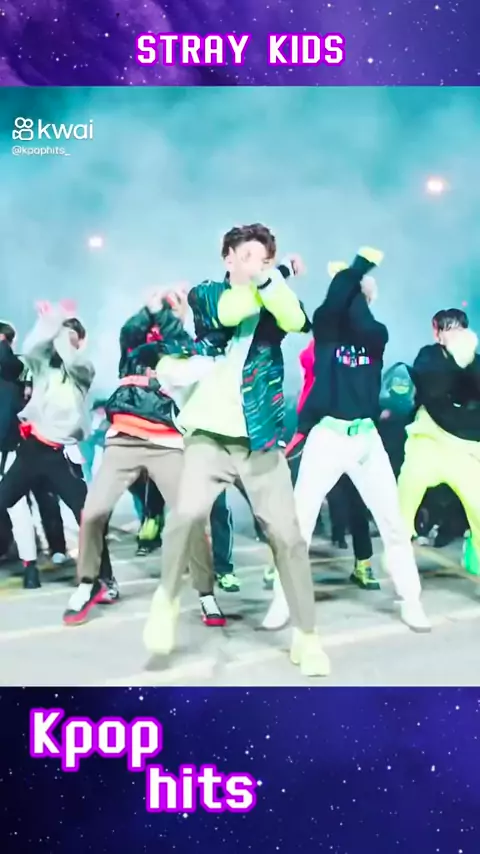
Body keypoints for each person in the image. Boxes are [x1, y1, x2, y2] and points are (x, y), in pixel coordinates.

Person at [143, 223, 330, 678]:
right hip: (209, 436)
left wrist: (272, 279)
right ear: (227, 258)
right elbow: (230, 311)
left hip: (259, 438)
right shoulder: (207, 293)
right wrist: (277, 274)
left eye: (262, 259)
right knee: (185, 517)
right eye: (245, 257)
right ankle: (166, 604)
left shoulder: (273, 296)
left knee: (287, 537)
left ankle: (307, 636)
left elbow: (296, 320)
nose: (254, 266)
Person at [262, 248, 430, 633]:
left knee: (393, 524)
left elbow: (351, 308)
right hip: (327, 437)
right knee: (299, 524)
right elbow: (334, 305)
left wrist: (352, 280)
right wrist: (355, 272)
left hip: (366, 441)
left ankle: (411, 601)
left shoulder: (375, 335)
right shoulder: (325, 331)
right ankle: (283, 601)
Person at [62, 287, 225, 626]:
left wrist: (168, 312)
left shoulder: (184, 349)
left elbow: (177, 343)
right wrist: (151, 308)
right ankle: (89, 584)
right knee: (93, 512)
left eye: (173, 305)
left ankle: (206, 593)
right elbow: (131, 330)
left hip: (166, 442)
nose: (166, 307)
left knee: (192, 516)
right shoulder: (133, 347)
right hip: (123, 439)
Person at [0, 302, 113, 590]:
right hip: (30, 451)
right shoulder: (42, 369)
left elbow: (70, 357)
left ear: (80, 342)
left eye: (71, 338)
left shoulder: (82, 370)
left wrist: (63, 326)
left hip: (58, 456)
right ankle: (25, 560)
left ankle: (105, 578)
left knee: (87, 515)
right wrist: (49, 321)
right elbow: (33, 348)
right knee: (4, 501)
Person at [397, 308, 480, 577]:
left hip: (465, 449)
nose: (454, 334)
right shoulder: (429, 356)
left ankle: (476, 556)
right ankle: (398, 552)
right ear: (437, 333)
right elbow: (432, 388)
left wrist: (468, 360)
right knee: (408, 490)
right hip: (429, 442)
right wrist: (455, 359)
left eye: (459, 329)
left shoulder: (475, 360)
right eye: (448, 329)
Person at [0, 320, 38, 585]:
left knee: (18, 507)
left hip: (10, 449)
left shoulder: (15, 367)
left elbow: (11, 363)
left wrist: (3, 344)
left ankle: (30, 566)